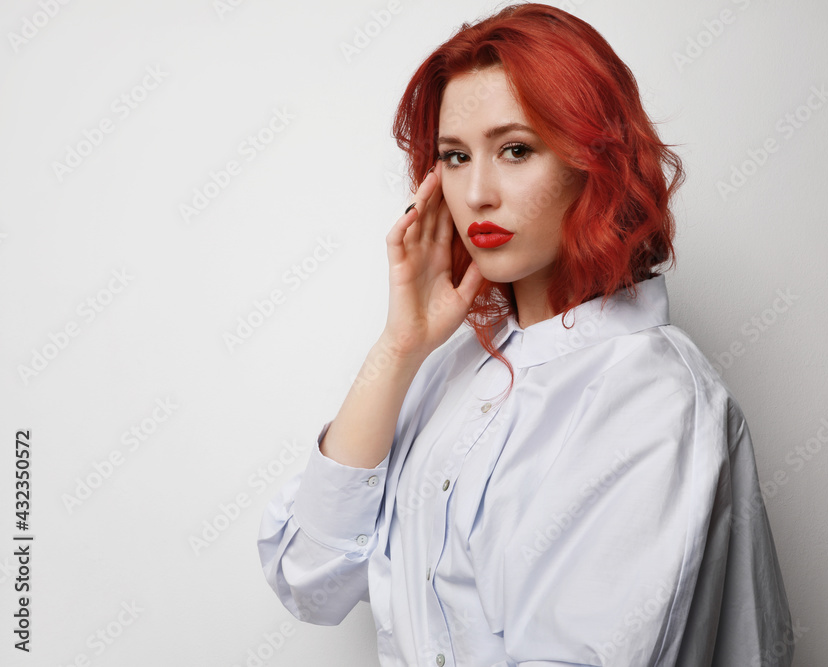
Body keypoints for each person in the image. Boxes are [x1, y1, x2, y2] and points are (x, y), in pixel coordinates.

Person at [257, 4, 793, 666]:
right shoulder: (455, 366)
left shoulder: (652, 399)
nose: (477, 192)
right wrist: (398, 348)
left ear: (593, 161)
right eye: (455, 156)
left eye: (515, 149)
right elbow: (308, 578)